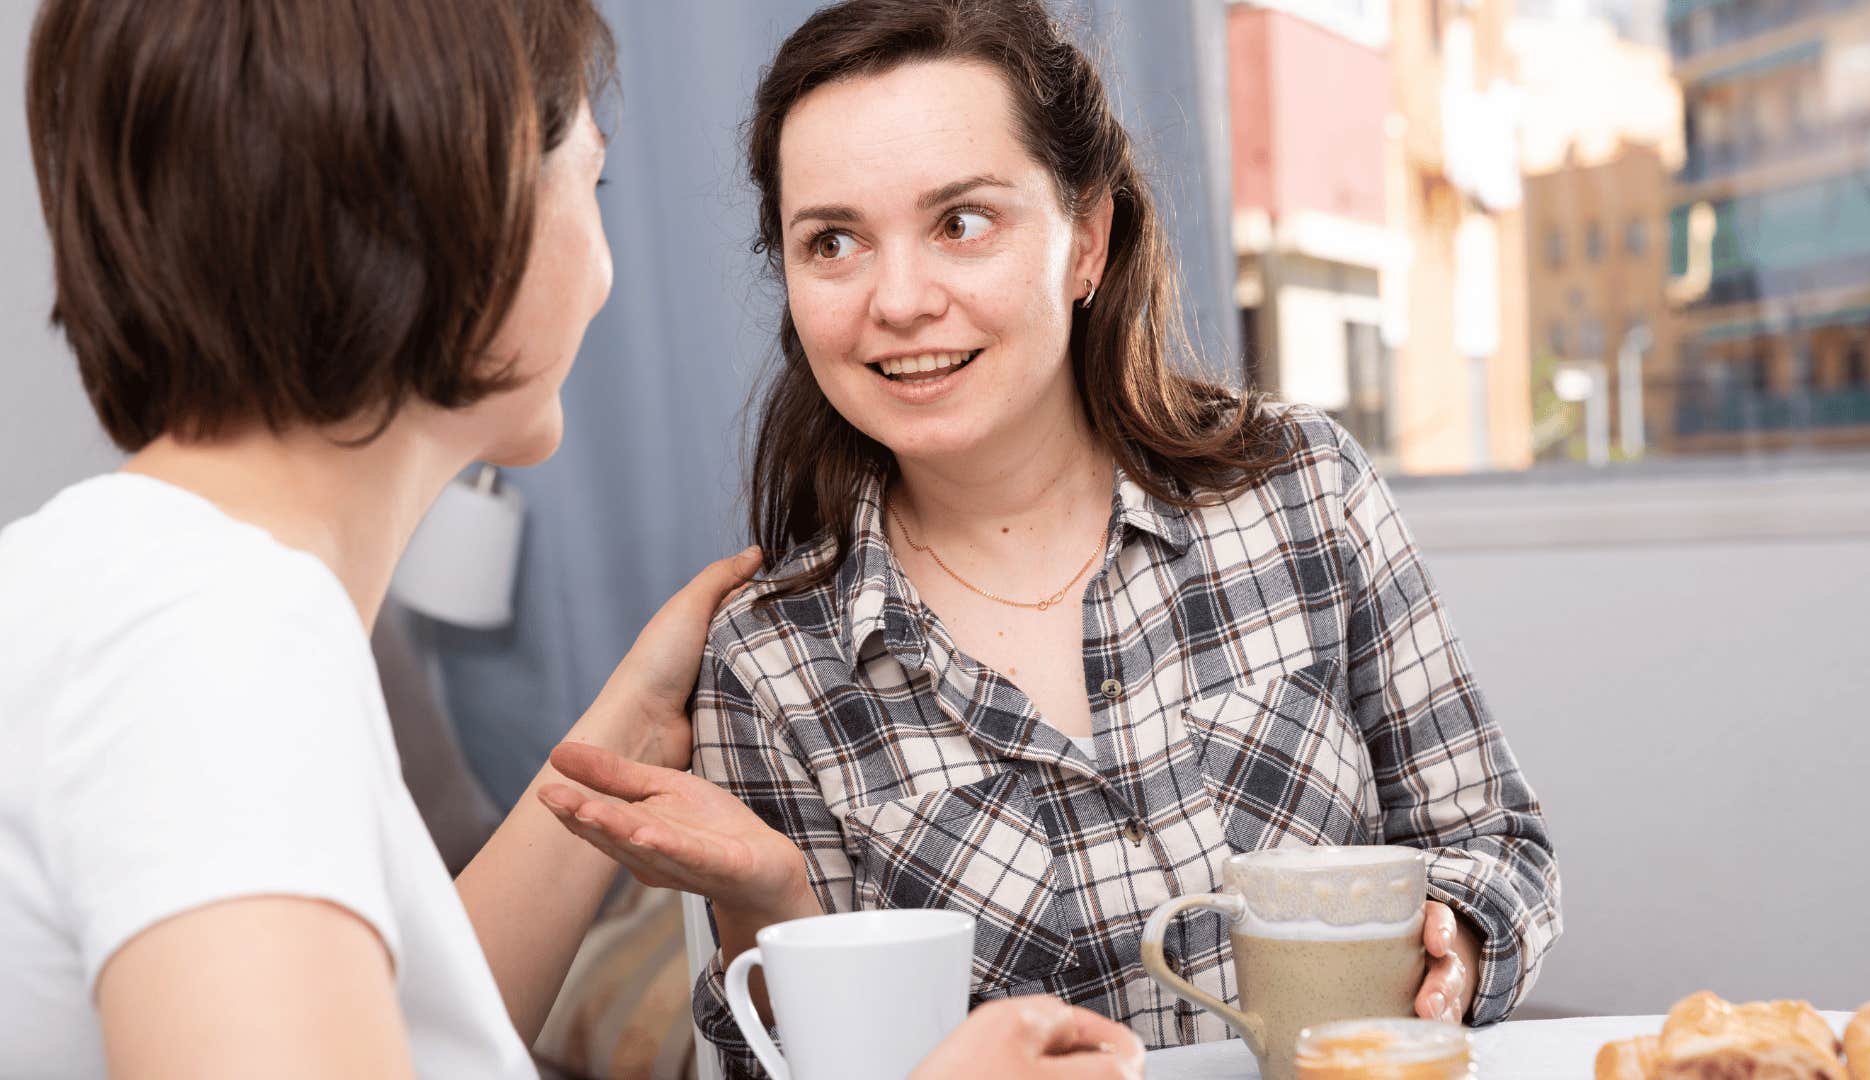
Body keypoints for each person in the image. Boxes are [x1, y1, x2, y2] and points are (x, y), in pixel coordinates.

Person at [0, 1, 1140, 1076]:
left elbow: (409, 1036)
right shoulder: (206, 636)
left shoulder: (138, 593)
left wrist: (620, 735)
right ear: (458, 215)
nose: (600, 264)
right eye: (588, 177)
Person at [535, 0, 1562, 1073]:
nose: (898, 300)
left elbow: (1498, 847)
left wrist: (1462, 942)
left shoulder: (1303, 487)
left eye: (961, 222)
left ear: (1088, 240)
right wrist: (771, 907)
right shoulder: (772, 661)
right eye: (832, 241)